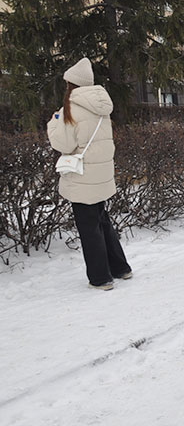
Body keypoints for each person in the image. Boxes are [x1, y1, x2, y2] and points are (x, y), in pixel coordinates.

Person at [47, 57, 132, 291]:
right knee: (102, 221)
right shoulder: (102, 106)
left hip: (82, 177)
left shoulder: (70, 109)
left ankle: (100, 278)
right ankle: (121, 268)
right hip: (100, 175)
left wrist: (53, 122)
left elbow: (63, 144)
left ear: (71, 85)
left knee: (88, 227)